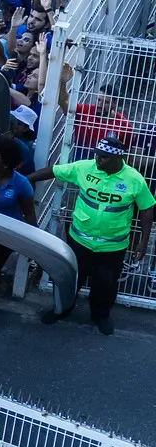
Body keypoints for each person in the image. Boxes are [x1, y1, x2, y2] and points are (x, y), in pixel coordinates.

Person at [33, 134, 155, 335]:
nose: (98, 160)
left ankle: (101, 315)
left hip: (112, 246)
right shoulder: (84, 168)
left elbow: (147, 209)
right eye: (97, 155)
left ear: (118, 158)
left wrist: (143, 242)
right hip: (79, 240)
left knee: (105, 284)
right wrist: (23, 179)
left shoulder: (134, 179)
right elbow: (54, 171)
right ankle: (61, 309)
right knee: (70, 279)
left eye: (104, 157)